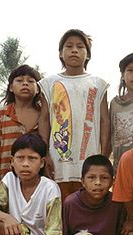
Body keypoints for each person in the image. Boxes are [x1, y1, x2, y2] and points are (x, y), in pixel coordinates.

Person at [38, 28, 110, 202]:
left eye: (80, 46)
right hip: (58, 157)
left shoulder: (98, 84)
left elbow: (104, 120)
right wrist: (44, 153)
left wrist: (105, 152)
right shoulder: (49, 83)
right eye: (69, 46)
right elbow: (44, 119)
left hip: (89, 156)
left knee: (88, 199)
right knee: (59, 200)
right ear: (61, 53)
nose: (74, 50)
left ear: (88, 54)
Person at [0, 64, 42, 191]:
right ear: (11, 87)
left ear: (38, 89)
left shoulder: (44, 115)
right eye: (20, 80)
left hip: (37, 179)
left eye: (30, 81)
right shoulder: (2, 114)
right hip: (7, 177)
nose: (25, 84)